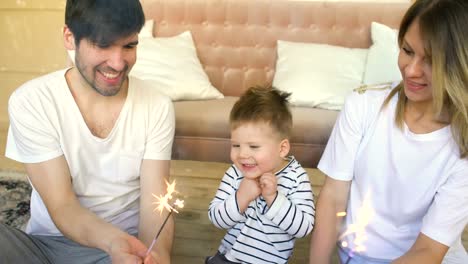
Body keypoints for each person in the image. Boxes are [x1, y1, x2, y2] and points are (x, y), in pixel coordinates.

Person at [0, 0, 175, 263]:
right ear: (69, 38)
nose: (118, 63)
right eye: (102, 45)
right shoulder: (32, 101)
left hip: (123, 251)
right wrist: (113, 242)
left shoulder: (157, 105)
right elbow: (62, 206)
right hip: (46, 246)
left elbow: (156, 202)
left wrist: (156, 254)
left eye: (129, 45)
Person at [309, 0, 468, 263]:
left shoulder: (462, 145)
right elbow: (334, 198)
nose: (411, 70)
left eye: (430, 61)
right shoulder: (362, 105)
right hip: (358, 255)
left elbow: (428, 250)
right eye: (407, 50)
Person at [206, 86, 316, 264]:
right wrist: (242, 196)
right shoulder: (235, 173)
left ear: (282, 148)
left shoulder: (296, 178)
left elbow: (303, 228)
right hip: (227, 258)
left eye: (254, 147)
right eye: (236, 145)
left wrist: (274, 197)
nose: (242, 154)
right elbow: (217, 219)